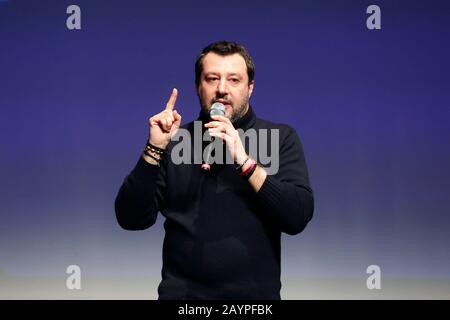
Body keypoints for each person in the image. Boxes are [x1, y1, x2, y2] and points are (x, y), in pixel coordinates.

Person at [114, 41, 314, 300]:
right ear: (198, 86)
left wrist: (244, 161)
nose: (222, 89)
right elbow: (130, 219)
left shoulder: (280, 137)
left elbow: (297, 217)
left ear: (250, 88)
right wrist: (154, 148)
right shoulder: (175, 139)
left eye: (234, 80)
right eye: (212, 79)